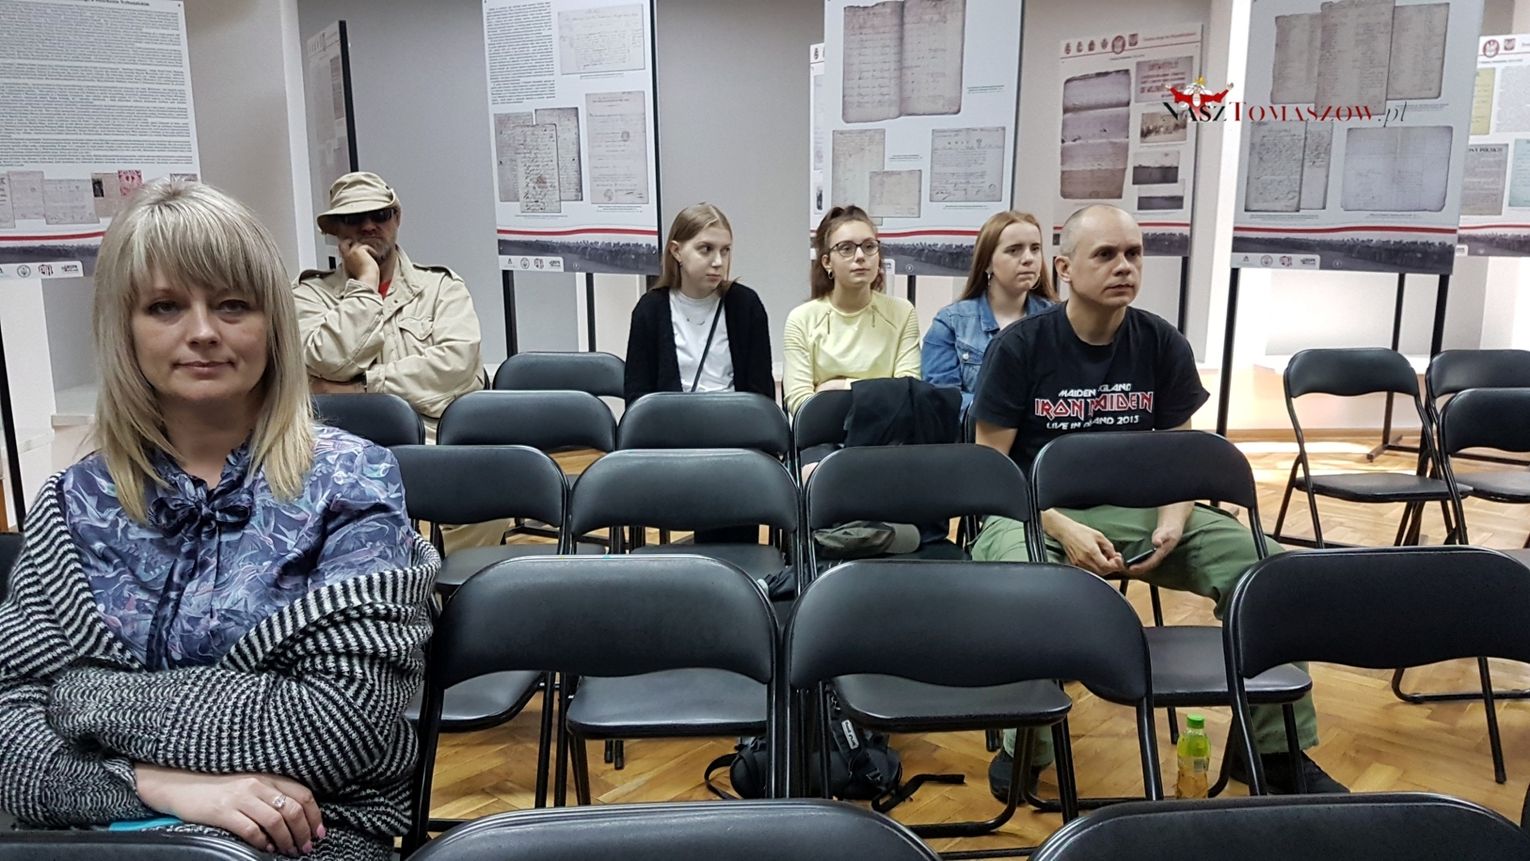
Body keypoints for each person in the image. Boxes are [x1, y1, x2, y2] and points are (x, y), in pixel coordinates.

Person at [0, 181, 438, 860]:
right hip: (103, 837)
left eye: (233, 304)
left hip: (307, 835)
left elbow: (340, 726)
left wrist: (84, 696)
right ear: (125, 328)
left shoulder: (353, 481)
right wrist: (157, 786)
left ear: (272, 324)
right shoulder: (73, 503)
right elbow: (10, 739)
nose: (202, 331)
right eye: (165, 306)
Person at [968, 204, 1346, 797]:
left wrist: (1172, 523)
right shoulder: (1021, 347)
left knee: (1272, 574)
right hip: (1034, 513)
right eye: (1105, 254)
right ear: (1064, 268)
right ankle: (1026, 749)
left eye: (1134, 254)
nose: (1124, 266)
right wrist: (1062, 528)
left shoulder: (1161, 342)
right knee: (1026, 585)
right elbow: (991, 468)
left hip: (1144, 510)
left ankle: (1272, 751)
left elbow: (1179, 459)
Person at [294, 171, 485, 435]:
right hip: (342, 445)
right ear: (336, 229)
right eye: (354, 218)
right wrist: (365, 283)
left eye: (380, 215)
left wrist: (362, 387)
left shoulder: (442, 288)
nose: (368, 226)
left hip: (430, 443)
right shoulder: (308, 295)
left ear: (397, 218)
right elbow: (328, 362)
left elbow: (456, 368)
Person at [624, 203, 774, 404]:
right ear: (677, 251)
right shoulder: (650, 309)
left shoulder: (745, 305)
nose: (718, 262)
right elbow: (638, 397)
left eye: (725, 251)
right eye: (706, 249)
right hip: (672, 421)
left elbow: (762, 396)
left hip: (735, 419)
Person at [782, 205, 920, 415]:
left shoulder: (902, 312)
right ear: (827, 262)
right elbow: (801, 403)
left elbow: (908, 393)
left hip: (887, 430)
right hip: (823, 431)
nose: (860, 256)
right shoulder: (801, 319)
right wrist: (876, 391)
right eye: (846, 248)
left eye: (869, 246)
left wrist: (837, 387)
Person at [922, 210, 1058, 414]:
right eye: (1014, 250)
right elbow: (942, 401)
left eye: (1035, 248)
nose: (1028, 259)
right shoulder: (951, 323)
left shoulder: (1058, 321)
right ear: (987, 262)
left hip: (1043, 433)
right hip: (976, 432)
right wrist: (1005, 413)